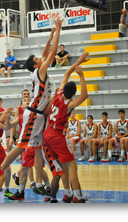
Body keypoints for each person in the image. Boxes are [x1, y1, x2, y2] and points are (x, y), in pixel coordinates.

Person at [0, 18, 63, 198]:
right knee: (21, 146)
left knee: (37, 148)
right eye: (37, 59)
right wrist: (58, 31)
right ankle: (0, 168)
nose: (40, 58)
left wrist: (50, 34)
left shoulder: (38, 71)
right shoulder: (41, 71)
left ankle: (37, 183)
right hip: (34, 115)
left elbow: (44, 53)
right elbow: (51, 54)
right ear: (36, 65)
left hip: (38, 116)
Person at [43, 52, 90, 203]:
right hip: (56, 135)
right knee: (72, 166)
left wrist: (78, 62)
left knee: (63, 165)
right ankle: (78, 197)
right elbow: (84, 96)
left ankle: (68, 194)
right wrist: (81, 75)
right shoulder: (69, 104)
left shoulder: (58, 93)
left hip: (47, 134)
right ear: (72, 95)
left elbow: (66, 73)